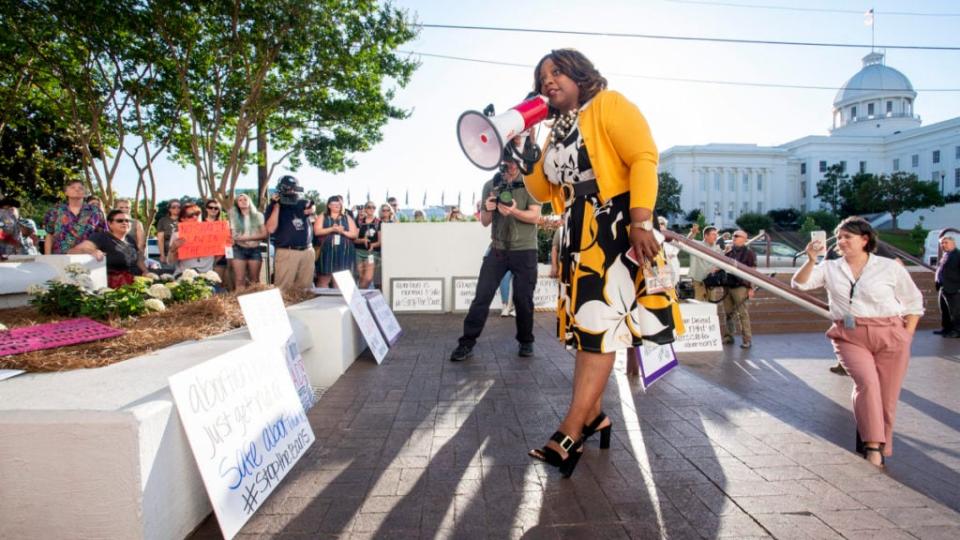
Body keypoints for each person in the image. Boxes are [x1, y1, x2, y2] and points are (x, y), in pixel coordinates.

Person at [523, 49, 680, 477]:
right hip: (579, 232)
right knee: (586, 332)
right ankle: (593, 417)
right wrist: (526, 152)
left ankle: (571, 430)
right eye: (541, 78)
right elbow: (541, 191)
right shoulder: (555, 130)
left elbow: (644, 157)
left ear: (580, 73)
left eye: (556, 72)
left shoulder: (608, 104)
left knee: (600, 329)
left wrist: (641, 220)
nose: (548, 81)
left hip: (615, 224)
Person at [792, 217, 923, 468]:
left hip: (890, 334)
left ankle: (883, 444)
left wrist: (907, 335)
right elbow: (799, 284)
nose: (841, 241)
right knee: (867, 384)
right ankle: (872, 446)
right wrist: (811, 260)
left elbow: (914, 302)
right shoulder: (830, 267)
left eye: (847, 237)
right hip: (850, 336)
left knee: (887, 395)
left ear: (865, 240)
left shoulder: (888, 267)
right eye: (839, 237)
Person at [449, 140, 542, 362]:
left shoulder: (532, 184)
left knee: (523, 299)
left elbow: (535, 216)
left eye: (510, 163)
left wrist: (514, 212)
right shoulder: (490, 184)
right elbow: (485, 221)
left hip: (525, 250)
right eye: (503, 162)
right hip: (498, 249)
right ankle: (466, 343)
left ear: (519, 162)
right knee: (482, 296)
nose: (506, 167)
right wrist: (488, 209)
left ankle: (526, 341)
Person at [69, 209, 147, 287]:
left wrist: (146, 272)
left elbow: (138, 260)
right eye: (120, 220)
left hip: (136, 283)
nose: (125, 223)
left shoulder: (130, 239)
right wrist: (92, 251)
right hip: (113, 286)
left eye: (128, 221)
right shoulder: (101, 237)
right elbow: (72, 251)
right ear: (110, 224)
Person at [265, 175, 316, 291]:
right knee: (283, 290)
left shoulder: (302, 202)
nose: (291, 191)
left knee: (306, 290)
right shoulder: (273, 205)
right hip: (287, 251)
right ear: (281, 188)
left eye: (294, 188)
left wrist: (312, 208)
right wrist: (276, 206)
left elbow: (312, 209)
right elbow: (270, 229)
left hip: (307, 251)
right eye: (288, 188)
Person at [43, 180, 107, 254]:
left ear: (85, 193)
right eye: (72, 187)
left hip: (88, 258)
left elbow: (103, 235)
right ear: (66, 192)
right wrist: (47, 257)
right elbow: (49, 235)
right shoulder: (55, 211)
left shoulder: (96, 212)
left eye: (80, 188)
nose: (77, 189)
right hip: (60, 258)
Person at [721, 230, 756, 348]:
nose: (734, 237)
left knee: (742, 314)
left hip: (741, 287)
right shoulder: (729, 251)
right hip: (728, 286)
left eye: (737, 236)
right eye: (733, 236)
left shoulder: (749, 253)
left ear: (744, 239)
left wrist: (751, 287)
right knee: (728, 313)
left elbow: (753, 272)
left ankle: (747, 339)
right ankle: (728, 337)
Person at [314, 195, 357, 288]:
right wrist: (332, 229)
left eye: (339, 204)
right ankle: (322, 301)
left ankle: (337, 300)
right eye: (334, 203)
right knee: (324, 278)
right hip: (326, 251)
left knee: (340, 278)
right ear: (329, 205)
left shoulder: (347, 217)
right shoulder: (323, 216)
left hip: (343, 252)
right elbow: (317, 231)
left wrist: (343, 232)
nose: (337, 205)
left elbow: (354, 234)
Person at [228, 193, 267, 290]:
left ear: (249, 201)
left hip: (255, 249)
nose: (243, 201)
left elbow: (264, 234)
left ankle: (255, 303)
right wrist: (251, 237)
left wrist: (244, 238)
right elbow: (234, 236)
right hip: (239, 250)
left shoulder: (258, 216)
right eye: (240, 200)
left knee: (254, 280)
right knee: (240, 279)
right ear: (237, 204)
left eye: (245, 199)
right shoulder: (234, 217)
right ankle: (239, 302)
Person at [166, 202, 216, 276]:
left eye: (197, 214)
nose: (195, 217)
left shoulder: (213, 233)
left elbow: (220, 254)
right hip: (184, 274)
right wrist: (173, 249)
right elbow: (170, 262)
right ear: (182, 219)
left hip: (206, 276)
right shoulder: (177, 235)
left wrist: (229, 243)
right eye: (190, 216)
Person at [934, 233, 960, 337]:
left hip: (954, 288)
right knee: (944, 310)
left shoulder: (957, 255)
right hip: (943, 287)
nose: (943, 245)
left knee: (955, 311)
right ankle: (946, 329)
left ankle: (957, 331)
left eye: (946, 242)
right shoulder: (946, 255)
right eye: (942, 243)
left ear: (953, 243)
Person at [688, 226, 724, 301]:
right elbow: (687, 241)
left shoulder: (717, 248)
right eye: (713, 234)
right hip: (698, 281)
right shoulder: (697, 245)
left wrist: (717, 268)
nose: (716, 236)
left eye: (716, 234)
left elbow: (723, 263)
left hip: (711, 281)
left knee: (710, 304)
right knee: (698, 304)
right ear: (706, 236)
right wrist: (693, 233)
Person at [354, 201, 381, 289]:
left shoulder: (378, 222)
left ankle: (359, 295)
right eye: (369, 207)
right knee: (361, 277)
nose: (372, 209)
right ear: (365, 209)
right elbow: (355, 239)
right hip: (359, 252)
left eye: (374, 207)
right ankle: (362, 298)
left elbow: (380, 241)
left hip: (372, 253)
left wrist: (373, 245)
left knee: (368, 278)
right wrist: (363, 240)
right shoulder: (359, 222)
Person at [113, 199, 146, 263]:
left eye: (127, 207)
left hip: (133, 256)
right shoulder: (111, 223)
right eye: (121, 207)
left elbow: (141, 244)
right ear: (116, 209)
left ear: (130, 209)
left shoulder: (137, 223)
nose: (124, 209)